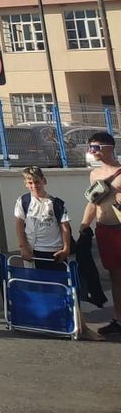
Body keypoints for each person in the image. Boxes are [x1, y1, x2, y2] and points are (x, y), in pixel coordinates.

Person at [82, 130, 121, 334]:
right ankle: (118, 318)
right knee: (114, 276)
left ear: (109, 148)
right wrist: (84, 225)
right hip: (104, 230)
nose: (92, 151)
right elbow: (92, 202)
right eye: (90, 148)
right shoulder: (94, 174)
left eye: (95, 147)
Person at [15, 166, 72, 271]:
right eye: (30, 183)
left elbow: (65, 227)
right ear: (26, 184)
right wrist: (23, 247)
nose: (34, 186)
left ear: (44, 181)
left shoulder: (56, 203)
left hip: (54, 251)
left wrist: (66, 249)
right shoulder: (23, 201)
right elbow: (19, 225)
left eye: (37, 182)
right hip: (34, 250)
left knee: (58, 283)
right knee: (37, 283)